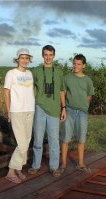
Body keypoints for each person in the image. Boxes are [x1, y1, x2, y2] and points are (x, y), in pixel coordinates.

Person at [28, 45, 66, 177]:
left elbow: (62, 91)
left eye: (50, 55)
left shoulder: (59, 71)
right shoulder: (36, 71)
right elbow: (26, 85)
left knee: (54, 140)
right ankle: (36, 165)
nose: (48, 57)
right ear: (42, 55)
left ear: (54, 56)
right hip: (40, 107)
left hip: (55, 110)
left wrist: (63, 108)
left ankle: (54, 167)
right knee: (38, 139)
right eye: (46, 55)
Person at [4, 48, 35, 184]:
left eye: (27, 58)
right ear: (17, 59)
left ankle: (19, 168)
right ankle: (11, 171)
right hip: (17, 110)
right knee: (22, 144)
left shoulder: (30, 73)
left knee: (26, 141)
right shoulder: (11, 73)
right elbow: (6, 93)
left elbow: (30, 91)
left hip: (30, 110)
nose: (25, 60)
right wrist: (8, 112)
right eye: (22, 58)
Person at [60, 54, 95, 174]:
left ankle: (80, 164)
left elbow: (89, 95)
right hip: (69, 110)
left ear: (84, 65)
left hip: (82, 113)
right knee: (65, 138)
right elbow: (62, 93)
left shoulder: (88, 80)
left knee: (81, 139)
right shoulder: (67, 78)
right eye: (74, 63)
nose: (76, 66)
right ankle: (63, 163)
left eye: (79, 64)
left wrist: (83, 106)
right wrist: (63, 108)